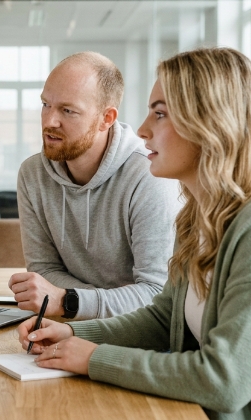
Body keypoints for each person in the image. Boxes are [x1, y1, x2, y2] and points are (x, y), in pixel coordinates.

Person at [16, 48, 251, 419]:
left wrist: (94, 357)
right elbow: (164, 320)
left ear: (212, 124)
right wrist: (76, 337)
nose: (142, 129)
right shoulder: (199, 215)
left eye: (160, 114)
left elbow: (224, 381)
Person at [10, 52, 180, 320]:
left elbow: (155, 294)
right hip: (78, 324)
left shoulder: (149, 174)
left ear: (107, 118)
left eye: (68, 110)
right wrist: (110, 298)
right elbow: (43, 272)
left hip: (142, 336)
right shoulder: (33, 174)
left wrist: (69, 300)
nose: (49, 121)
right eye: (45, 104)